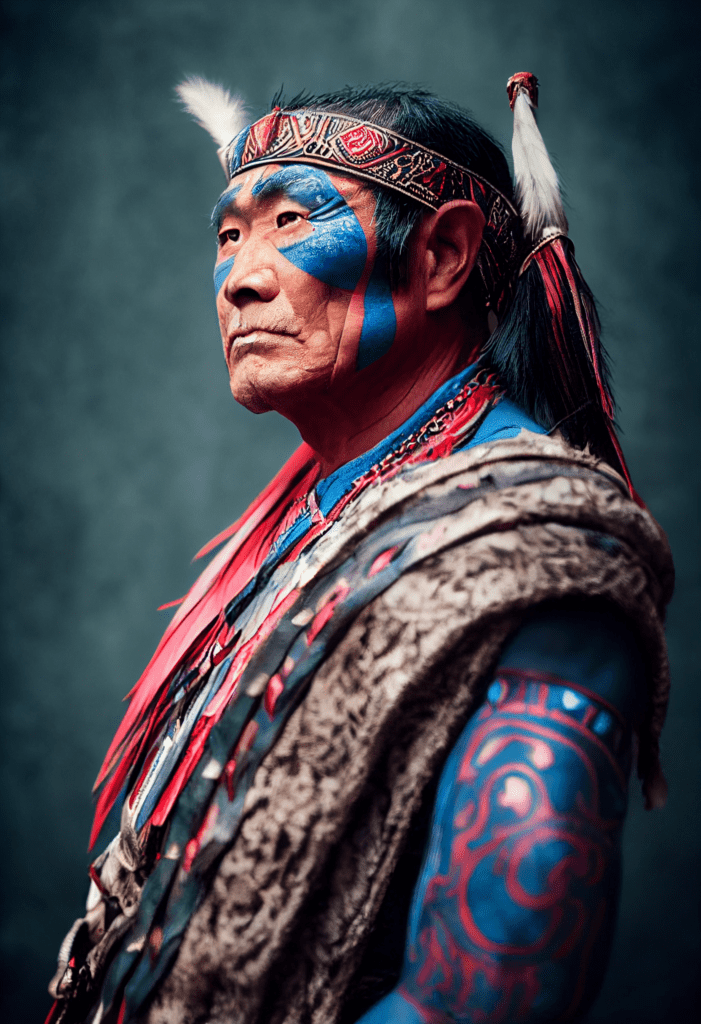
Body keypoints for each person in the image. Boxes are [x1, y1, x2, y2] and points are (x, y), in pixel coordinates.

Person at [48, 74, 673, 1024]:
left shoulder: (533, 555)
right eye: (228, 236)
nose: (240, 276)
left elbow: (482, 1003)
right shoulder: (316, 511)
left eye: (292, 221)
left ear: (441, 258)